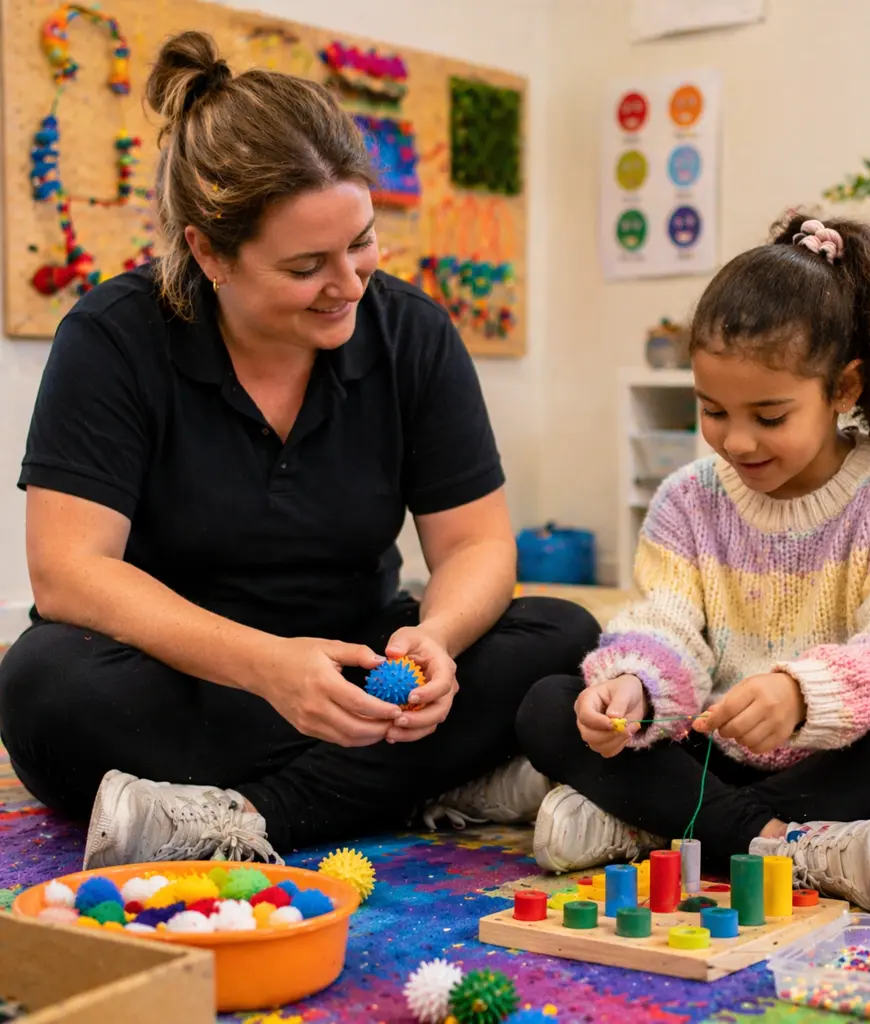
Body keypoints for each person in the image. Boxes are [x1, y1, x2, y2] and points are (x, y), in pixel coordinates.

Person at [0, 31, 600, 869]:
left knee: (563, 630)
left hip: (357, 662)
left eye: (360, 242)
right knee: (45, 688)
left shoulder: (411, 332)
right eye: (307, 265)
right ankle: (416, 777)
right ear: (208, 251)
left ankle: (243, 817)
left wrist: (439, 641)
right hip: (189, 676)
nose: (351, 283)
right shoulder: (112, 336)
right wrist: (267, 668)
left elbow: (474, 544)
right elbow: (68, 571)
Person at [516, 215, 870, 919]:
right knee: (549, 706)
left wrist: (802, 695)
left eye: (770, 416)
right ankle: (788, 847)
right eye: (712, 411)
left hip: (841, 759)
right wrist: (635, 689)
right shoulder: (688, 498)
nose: (737, 440)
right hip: (714, 756)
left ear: (844, 389)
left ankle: (655, 828)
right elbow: (663, 621)